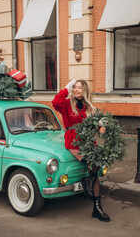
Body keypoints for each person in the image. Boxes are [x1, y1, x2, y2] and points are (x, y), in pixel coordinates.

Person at [52, 79, 110, 222]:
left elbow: (98, 127)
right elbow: (55, 102)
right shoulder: (66, 104)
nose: (76, 90)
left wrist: (103, 127)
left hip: (90, 142)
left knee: (96, 168)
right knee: (94, 165)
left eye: (79, 87)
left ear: (84, 90)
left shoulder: (90, 108)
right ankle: (89, 181)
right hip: (74, 141)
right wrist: (67, 88)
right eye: (74, 87)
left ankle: (97, 208)